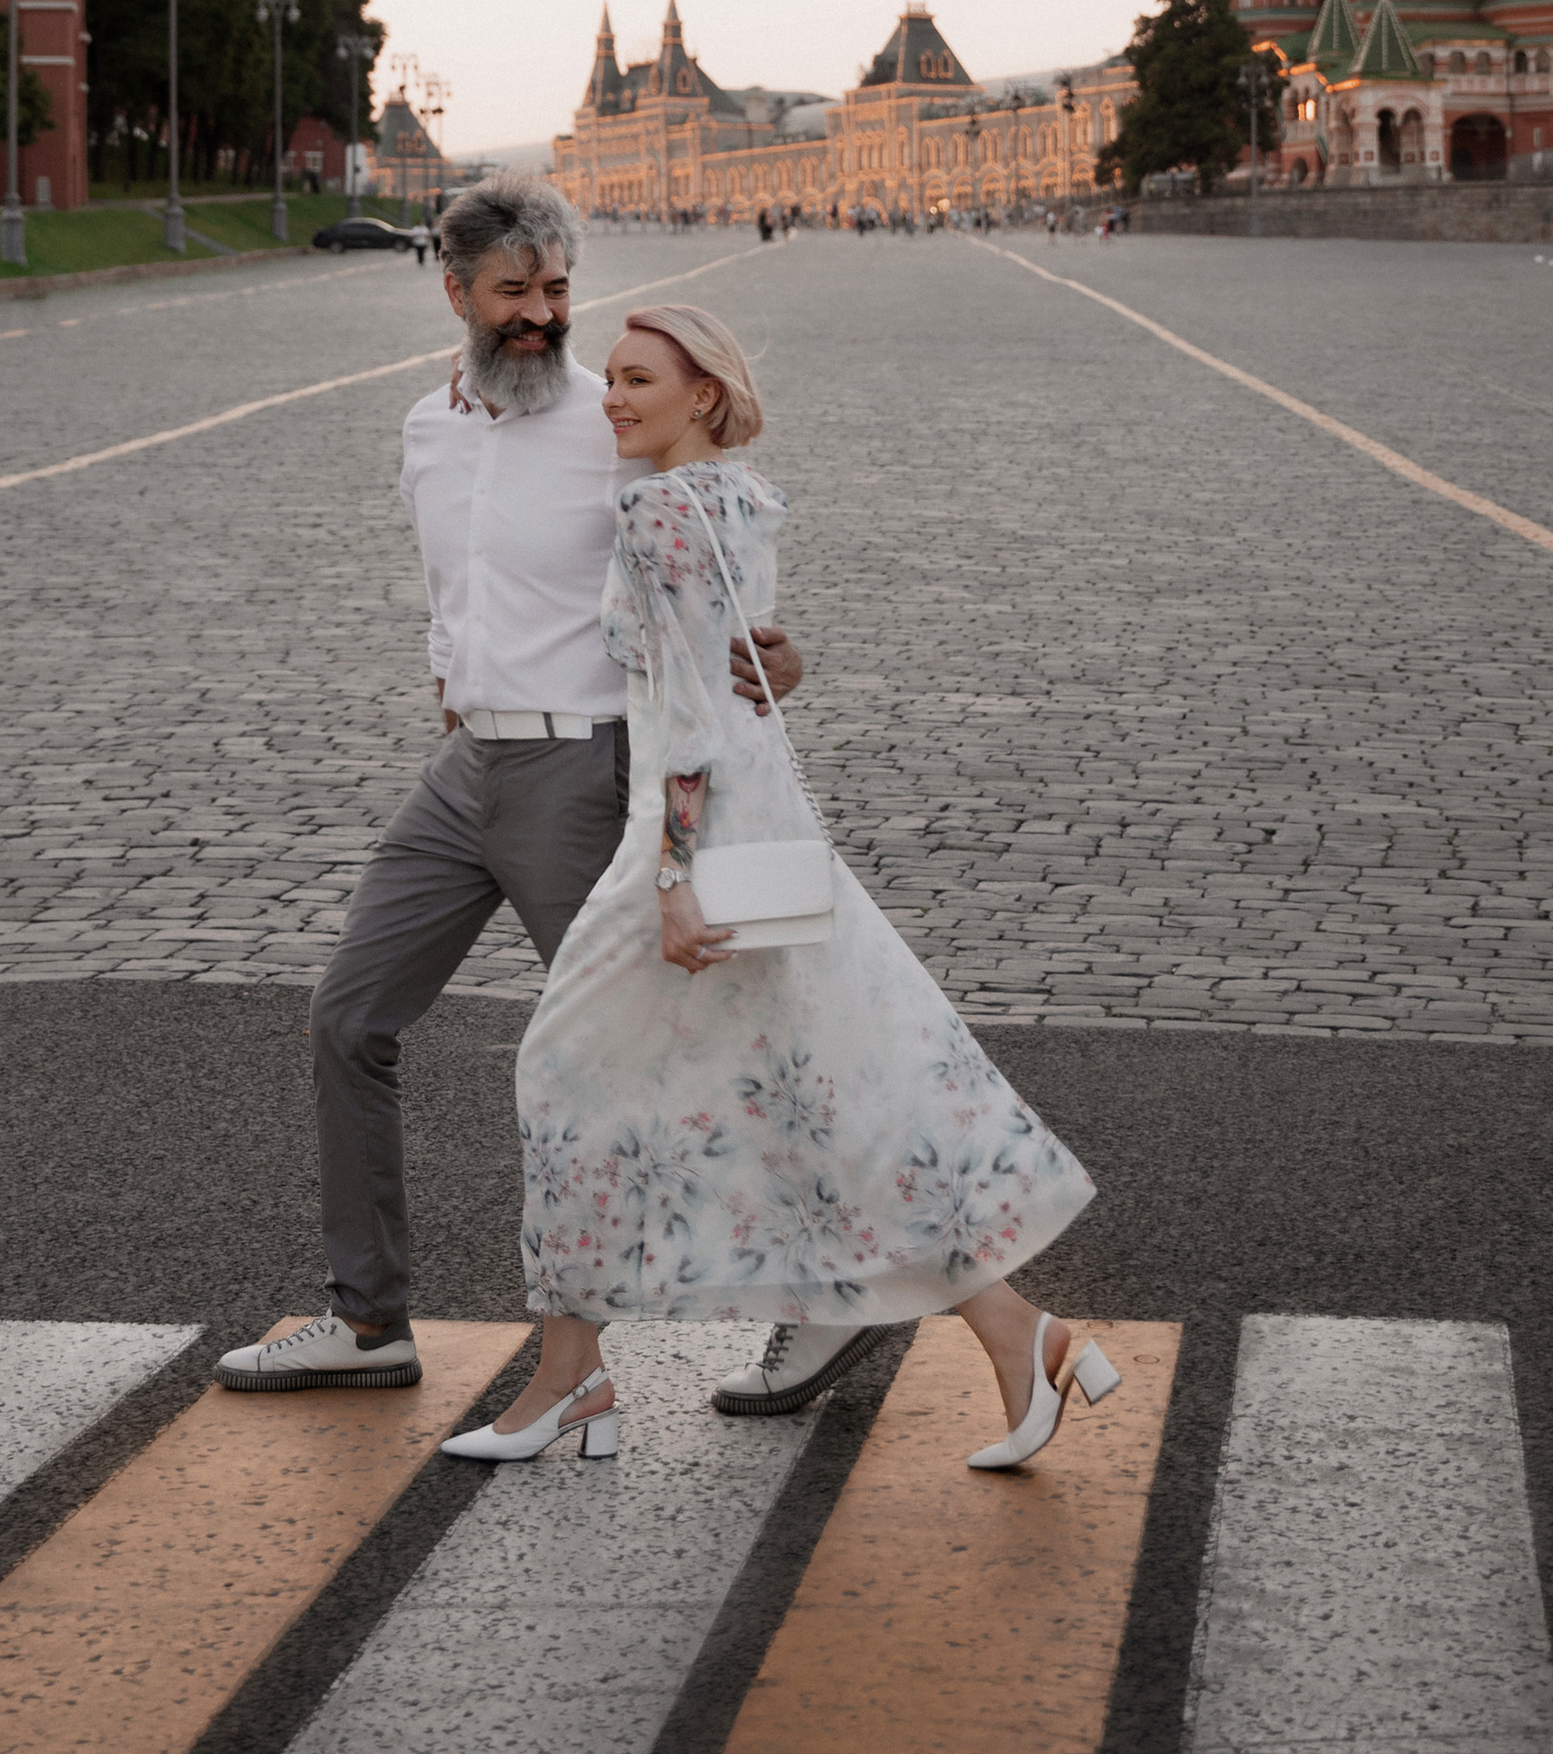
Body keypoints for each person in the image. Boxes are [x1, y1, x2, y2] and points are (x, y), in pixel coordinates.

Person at [443, 300, 1107, 1473]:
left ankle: (570, 1377)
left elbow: (695, 712)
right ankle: (1019, 1333)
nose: (615, 397)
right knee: (821, 1097)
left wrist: (671, 873)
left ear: (702, 395)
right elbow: (751, 662)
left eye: (640, 380)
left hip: (697, 837)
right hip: (761, 823)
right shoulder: (739, 498)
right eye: (616, 380)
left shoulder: (658, 511)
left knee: (561, 1072)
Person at [219, 182, 799, 1395]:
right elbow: (451, 592)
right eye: (514, 293)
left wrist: (775, 650)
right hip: (465, 774)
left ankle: (832, 1298)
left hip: (581, 777)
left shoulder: (614, 422)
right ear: (456, 293)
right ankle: (369, 1323)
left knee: (681, 1051)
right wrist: (451, 677)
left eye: (555, 292)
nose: (541, 316)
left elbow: (716, 581)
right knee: (347, 1019)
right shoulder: (424, 429)